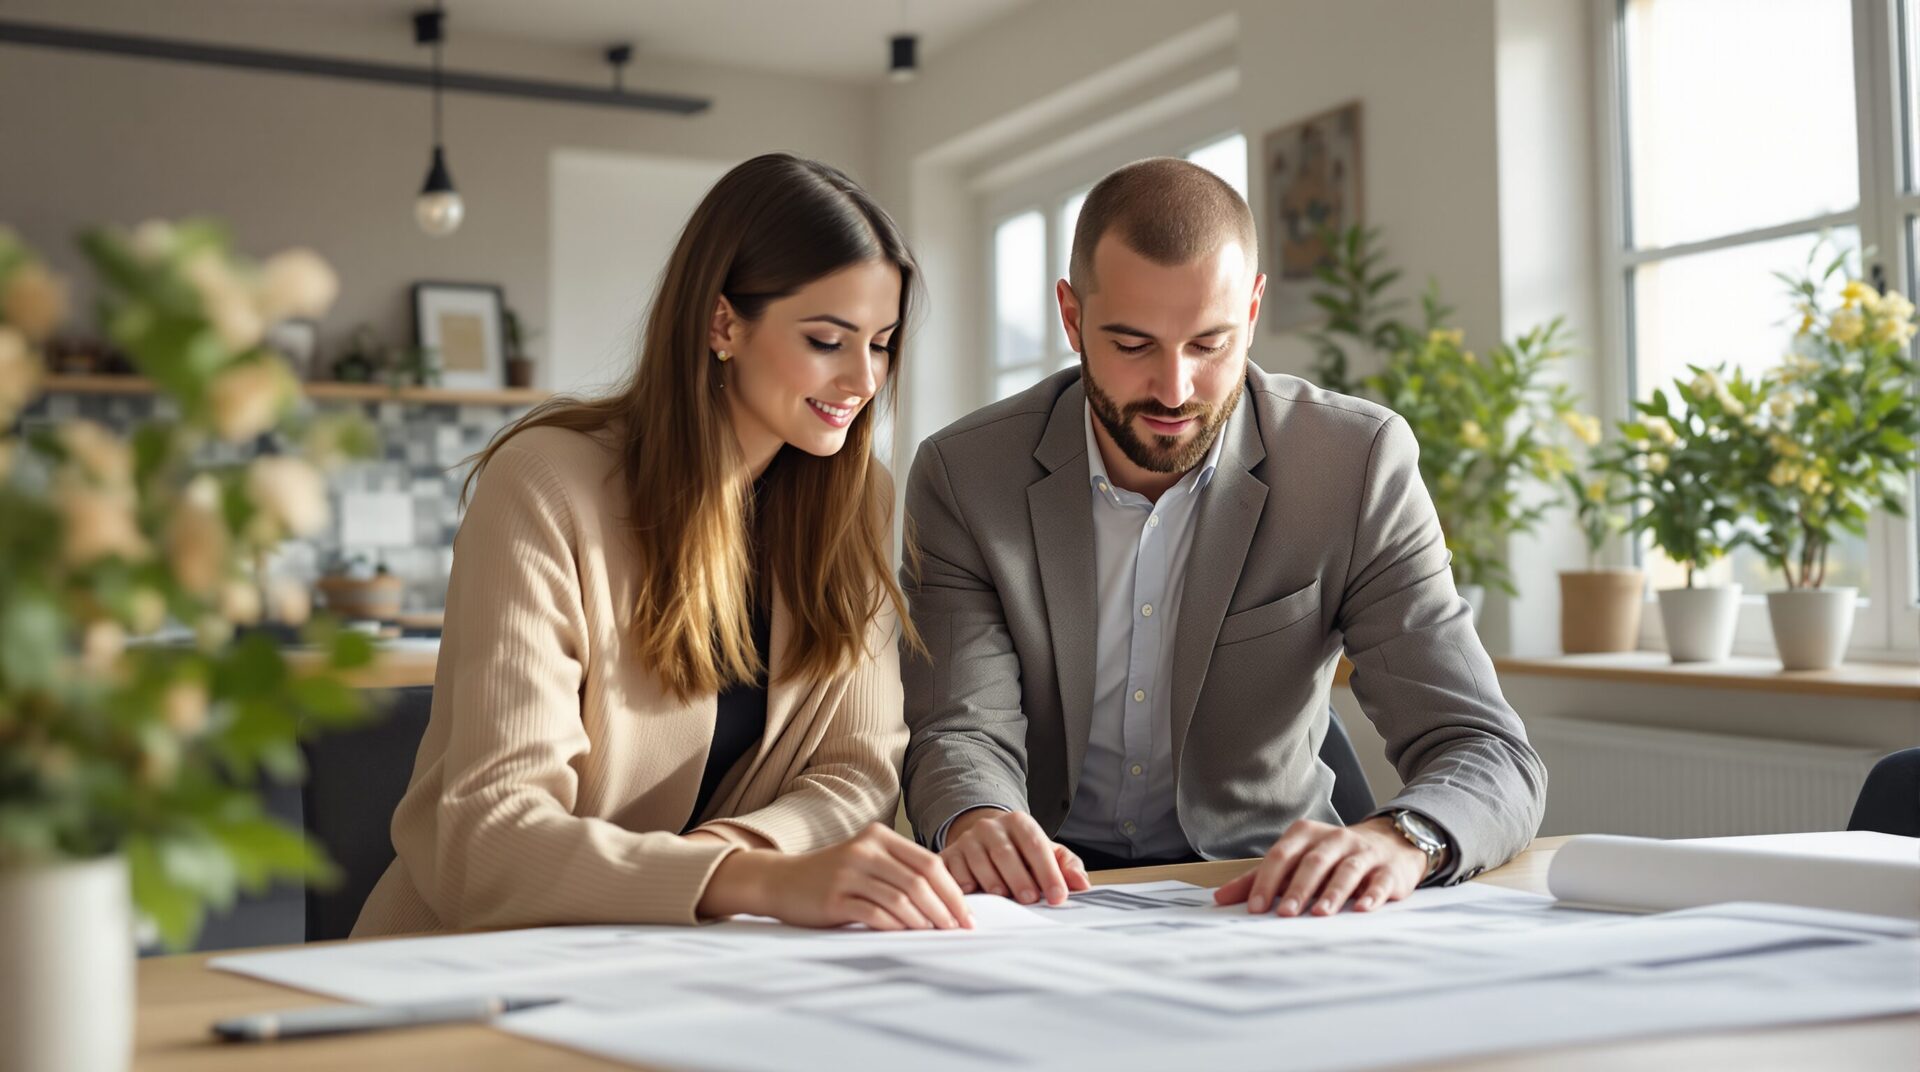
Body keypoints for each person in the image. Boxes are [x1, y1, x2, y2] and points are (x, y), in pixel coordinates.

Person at [901, 157, 1546, 918]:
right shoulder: (966, 473)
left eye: (1209, 345)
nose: (1174, 391)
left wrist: (1403, 838)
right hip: (1049, 894)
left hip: (1263, 891)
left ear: (1253, 310)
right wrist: (979, 819)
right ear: (1072, 318)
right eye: (1134, 345)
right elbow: (959, 729)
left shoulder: (1354, 464)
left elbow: (1489, 751)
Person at [356, 153, 970, 936]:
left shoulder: (856, 498)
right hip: (475, 964)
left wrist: (724, 874)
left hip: (696, 960)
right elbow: (491, 838)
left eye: (881, 343)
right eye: (827, 339)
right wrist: (747, 879)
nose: (864, 379)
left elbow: (857, 775)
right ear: (723, 324)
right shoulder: (545, 484)